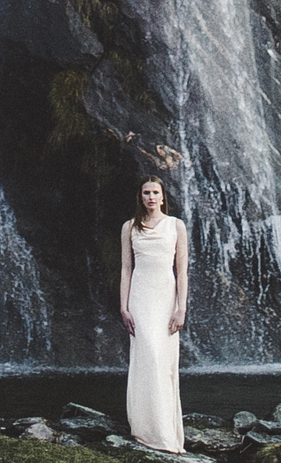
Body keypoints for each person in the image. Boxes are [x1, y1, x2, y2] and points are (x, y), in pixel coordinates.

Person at [118, 176, 188, 453]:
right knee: (147, 356)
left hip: (166, 297)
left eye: (155, 192)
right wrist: (123, 307)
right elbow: (125, 268)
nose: (150, 197)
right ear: (141, 196)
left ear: (162, 197)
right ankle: (145, 429)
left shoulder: (176, 226)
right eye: (146, 192)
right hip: (140, 297)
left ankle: (164, 431)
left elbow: (181, 270)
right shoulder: (129, 227)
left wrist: (181, 307)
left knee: (163, 360)